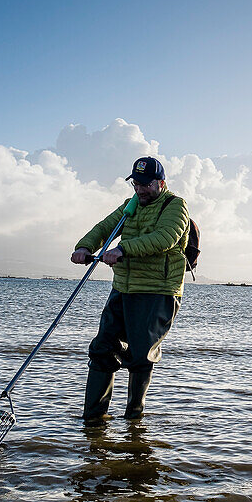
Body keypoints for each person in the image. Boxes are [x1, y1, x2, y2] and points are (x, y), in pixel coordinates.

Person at [71, 156, 190, 421]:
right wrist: (85, 246)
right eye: (136, 184)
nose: (140, 189)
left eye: (146, 184)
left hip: (158, 291)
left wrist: (123, 249)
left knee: (139, 356)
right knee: (102, 348)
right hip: (123, 288)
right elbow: (105, 227)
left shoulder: (176, 206)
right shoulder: (131, 204)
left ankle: (133, 422)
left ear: (161, 182)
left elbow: (164, 239)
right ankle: (93, 420)